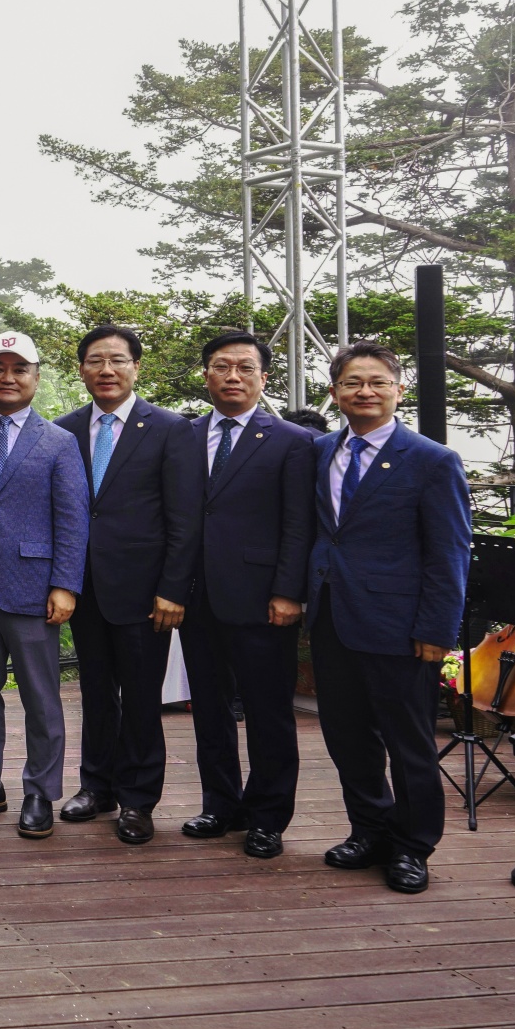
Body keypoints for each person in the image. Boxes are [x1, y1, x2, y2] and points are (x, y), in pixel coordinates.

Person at [307, 341, 471, 894]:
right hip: (332, 619)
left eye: (378, 382)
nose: (365, 392)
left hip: (401, 627)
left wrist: (437, 631)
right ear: (335, 394)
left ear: (399, 390)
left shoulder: (432, 460)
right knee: (347, 736)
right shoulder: (320, 450)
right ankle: (369, 829)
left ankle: (413, 846)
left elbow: (449, 553)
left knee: (409, 744)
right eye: (353, 383)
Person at [52, 324, 202, 844]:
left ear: (136, 367)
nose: (107, 370)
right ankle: (96, 787)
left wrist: (174, 588)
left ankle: (138, 801)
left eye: (117, 360)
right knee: (94, 692)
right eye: (96, 361)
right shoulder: (63, 429)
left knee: (141, 698)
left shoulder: (168, 428)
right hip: (82, 585)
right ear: (82, 370)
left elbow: (185, 518)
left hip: (145, 592)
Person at [178, 331, 317, 860]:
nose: (231, 376)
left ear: (263, 378)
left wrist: (288, 592)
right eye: (220, 366)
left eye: (243, 367)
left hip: (263, 599)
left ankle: (267, 817)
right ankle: (221, 805)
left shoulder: (290, 441)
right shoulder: (184, 436)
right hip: (196, 596)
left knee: (268, 712)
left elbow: (299, 525)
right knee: (208, 710)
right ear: (207, 375)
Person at [0, 330, 87, 839]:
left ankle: (40, 792)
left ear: (36, 377)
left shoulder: (59, 442)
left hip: (32, 585)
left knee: (40, 696)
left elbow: (72, 519)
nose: (8, 378)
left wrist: (66, 584)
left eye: (19, 369)